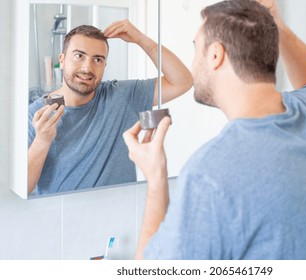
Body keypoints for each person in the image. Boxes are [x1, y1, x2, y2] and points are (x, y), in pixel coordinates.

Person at [123, 0, 306, 260]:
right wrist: (276, 24)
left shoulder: (209, 172)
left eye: (196, 49)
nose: (193, 64)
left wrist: (156, 177)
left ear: (216, 55)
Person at [28, 20, 192, 195]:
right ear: (62, 60)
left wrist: (142, 40)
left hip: (118, 216)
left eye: (97, 59)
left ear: (104, 65)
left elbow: (182, 82)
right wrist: (42, 140)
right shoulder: (37, 114)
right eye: (79, 56)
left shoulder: (122, 96)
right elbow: (25, 187)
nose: (87, 67)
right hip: (61, 218)